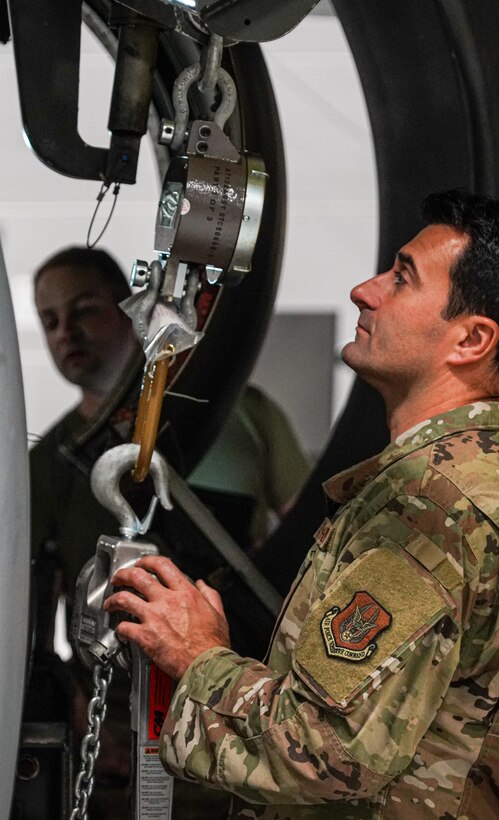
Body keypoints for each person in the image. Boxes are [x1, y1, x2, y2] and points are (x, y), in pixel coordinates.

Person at [105, 190, 499, 819]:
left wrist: (198, 653)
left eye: (402, 278)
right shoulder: (473, 486)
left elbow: (323, 753)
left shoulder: (438, 507)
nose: (365, 291)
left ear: (472, 339)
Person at [28, 245, 310, 818]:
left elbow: (314, 539)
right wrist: (82, 711)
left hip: (248, 717)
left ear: (129, 308)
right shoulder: (50, 462)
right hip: (124, 741)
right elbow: (36, 615)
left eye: (84, 309)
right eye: (50, 320)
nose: (67, 333)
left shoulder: (246, 417)